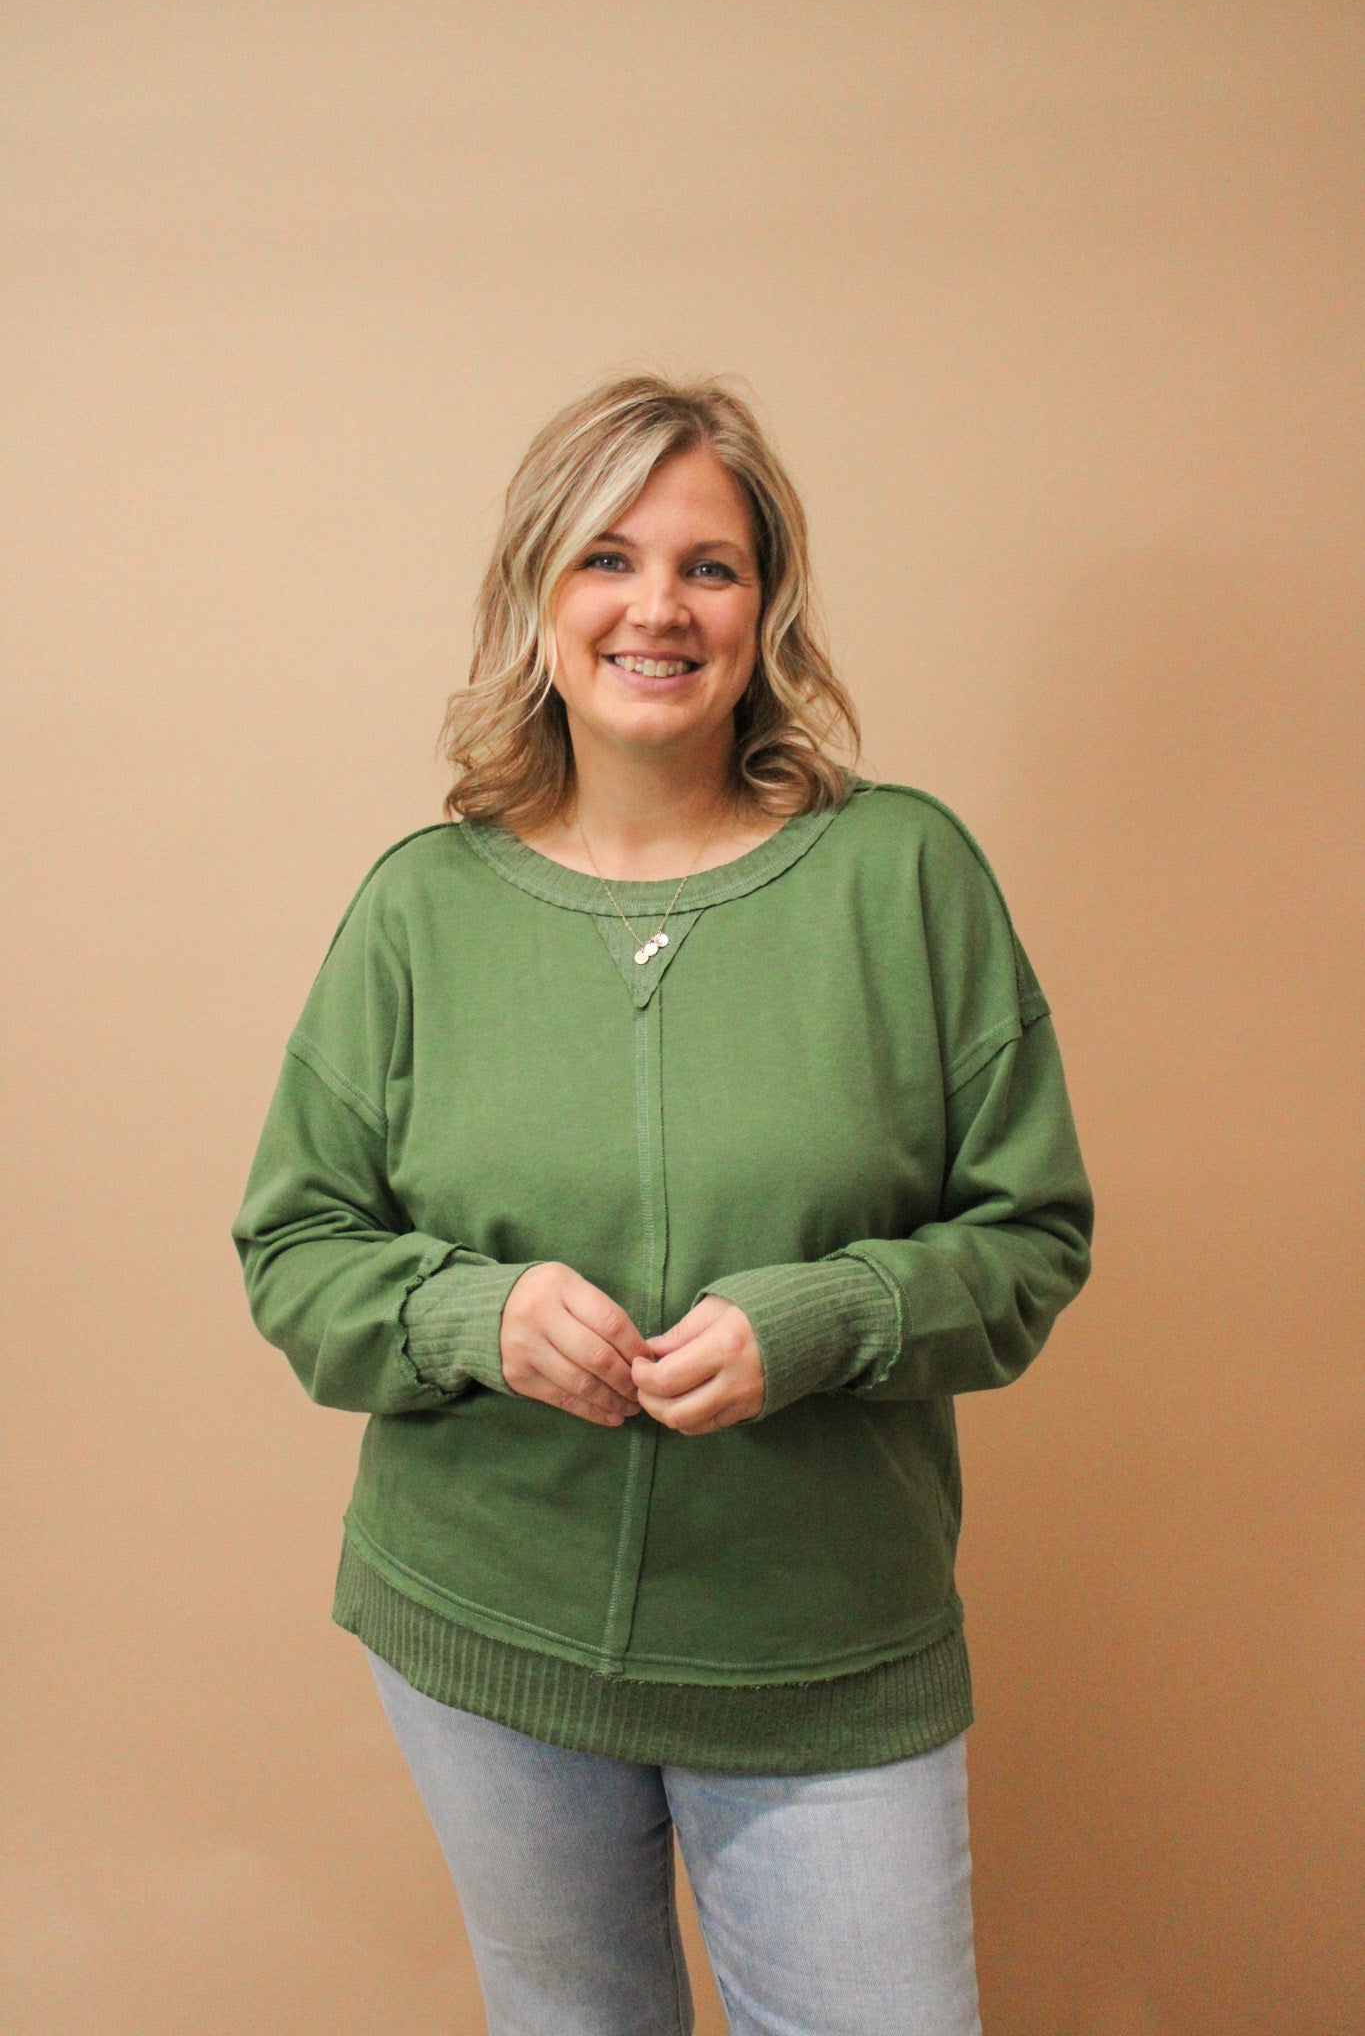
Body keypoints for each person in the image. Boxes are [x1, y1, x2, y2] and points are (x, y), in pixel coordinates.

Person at [232, 373, 1093, 2036]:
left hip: (822, 1652)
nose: (658, 608)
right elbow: (295, 1248)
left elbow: (1029, 1239)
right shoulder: (420, 910)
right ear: (536, 596)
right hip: (486, 1639)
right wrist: (471, 1315)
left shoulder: (901, 876)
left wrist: (828, 1318)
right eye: (606, 558)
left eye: (710, 566)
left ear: (765, 610)